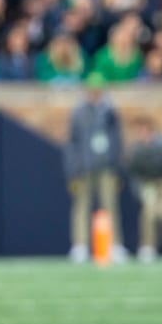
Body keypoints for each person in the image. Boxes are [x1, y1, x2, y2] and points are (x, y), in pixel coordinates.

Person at [63, 72, 127, 263]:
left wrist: (117, 168)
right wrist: (72, 170)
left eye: (98, 90)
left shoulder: (110, 111)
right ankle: (80, 246)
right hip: (84, 166)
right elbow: (72, 143)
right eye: (92, 90)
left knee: (110, 206)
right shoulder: (79, 112)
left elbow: (117, 141)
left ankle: (115, 245)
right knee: (81, 207)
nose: (95, 94)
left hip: (106, 166)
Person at [125, 114, 162, 263]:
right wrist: (140, 192)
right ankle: (147, 246)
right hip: (149, 184)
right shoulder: (135, 150)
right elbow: (134, 174)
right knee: (149, 213)